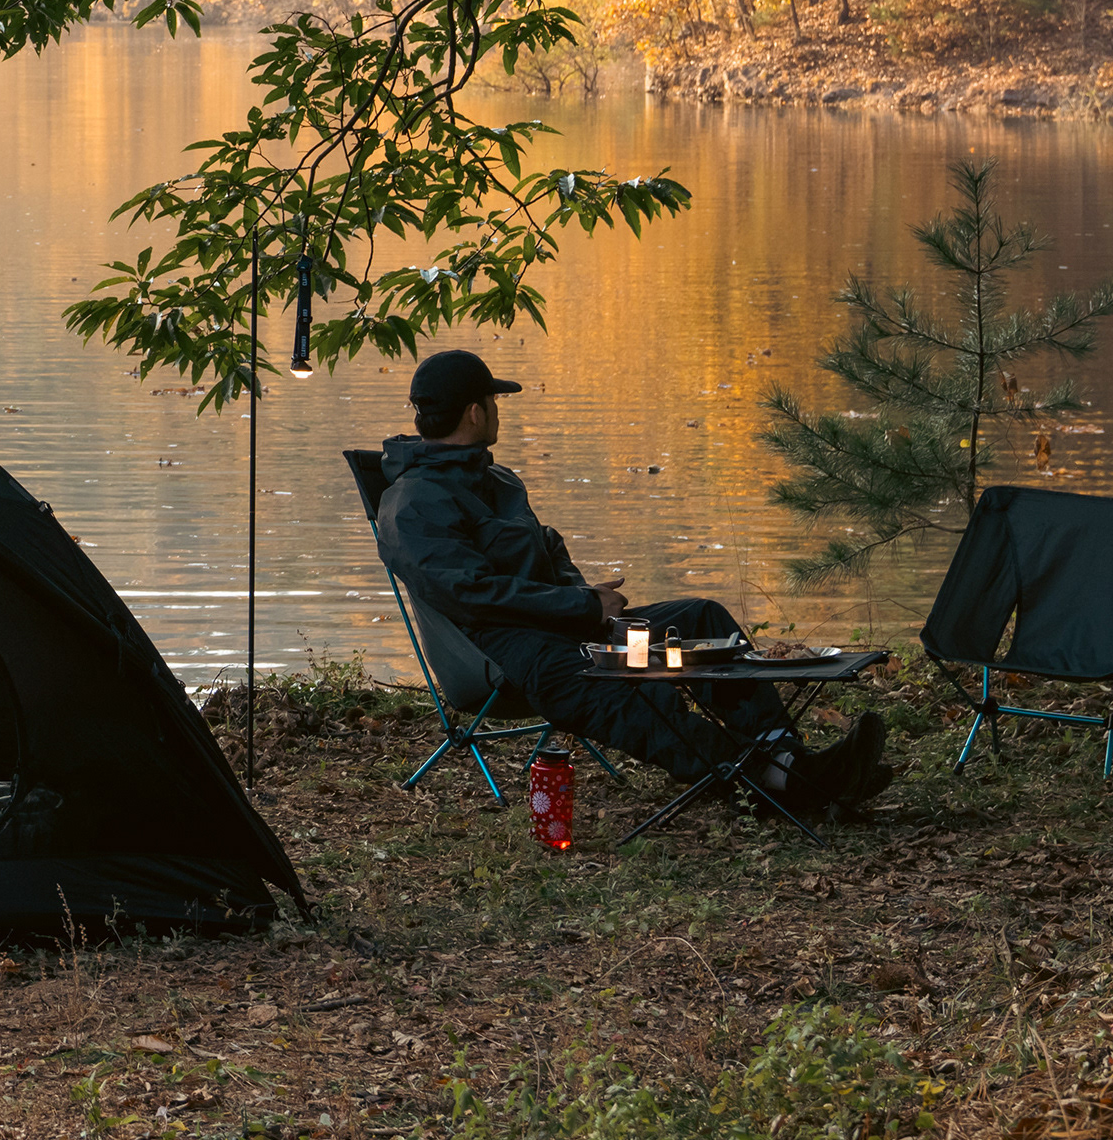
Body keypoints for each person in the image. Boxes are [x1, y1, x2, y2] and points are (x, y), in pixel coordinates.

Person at [372, 348, 888, 818]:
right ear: (475, 412)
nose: (498, 411)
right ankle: (773, 782)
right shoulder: (413, 502)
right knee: (620, 691)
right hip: (502, 653)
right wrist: (580, 607)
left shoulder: (499, 480)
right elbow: (471, 594)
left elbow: (548, 549)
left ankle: (787, 755)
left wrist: (589, 603)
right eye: (493, 401)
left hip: (564, 623)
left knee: (700, 617)